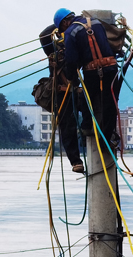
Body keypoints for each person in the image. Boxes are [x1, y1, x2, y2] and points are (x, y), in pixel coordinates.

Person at [56, 8, 122, 151]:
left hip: (92, 71)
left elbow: (71, 60)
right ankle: (106, 141)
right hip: (111, 68)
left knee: (86, 99)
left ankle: (87, 127)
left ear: (65, 22)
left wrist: (72, 79)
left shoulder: (70, 32)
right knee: (110, 105)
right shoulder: (96, 22)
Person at [38, 14, 84, 173]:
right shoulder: (53, 49)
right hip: (61, 92)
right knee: (67, 126)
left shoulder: (77, 46)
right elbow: (44, 35)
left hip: (77, 91)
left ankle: (95, 141)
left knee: (93, 115)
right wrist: (62, 24)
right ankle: (76, 161)